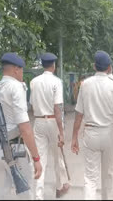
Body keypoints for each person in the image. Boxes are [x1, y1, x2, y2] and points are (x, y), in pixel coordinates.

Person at [0, 52, 42, 199]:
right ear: (16, 69)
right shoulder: (16, 87)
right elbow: (25, 129)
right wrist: (36, 158)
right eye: (21, 70)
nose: (22, 73)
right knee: (25, 194)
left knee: (0, 195)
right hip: (15, 150)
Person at [71, 50, 113, 200]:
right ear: (109, 67)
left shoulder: (85, 85)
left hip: (90, 134)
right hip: (109, 134)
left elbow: (79, 114)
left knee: (90, 178)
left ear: (94, 66)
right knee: (107, 175)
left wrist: (74, 137)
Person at [29, 52, 70, 199]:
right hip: (53, 121)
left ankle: (38, 196)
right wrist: (61, 130)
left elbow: (32, 105)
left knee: (39, 159)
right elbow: (57, 108)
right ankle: (59, 187)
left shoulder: (33, 82)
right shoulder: (56, 82)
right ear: (53, 65)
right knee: (57, 156)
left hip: (38, 121)